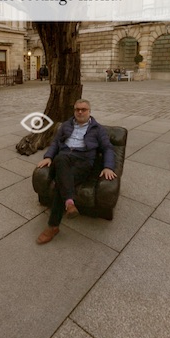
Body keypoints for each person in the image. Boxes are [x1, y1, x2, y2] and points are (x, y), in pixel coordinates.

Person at [35, 99, 117, 244]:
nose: (80, 112)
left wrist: (108, 166)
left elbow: (108, 148)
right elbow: (55, 143)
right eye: (77, 109)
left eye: (83, 109)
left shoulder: (98, 129)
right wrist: (48, 157)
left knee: (62, 182)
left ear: (89, 112)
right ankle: (68, 204)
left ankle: (54, 225)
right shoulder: (66, 125)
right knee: (60, 158)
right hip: (63, 158)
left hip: (83, 162)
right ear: (74, 111)